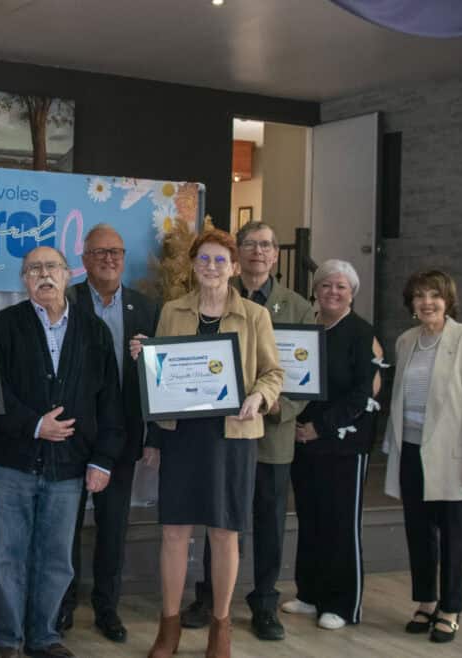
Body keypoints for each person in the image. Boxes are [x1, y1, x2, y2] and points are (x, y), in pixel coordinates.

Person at [131, 228, 283, 658]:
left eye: (220, 260)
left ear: (234, 267)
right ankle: (169, 627)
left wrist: (258, 397)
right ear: (193, 266)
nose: (211, 267)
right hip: (182, 435)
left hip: (232, 436)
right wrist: (145, 358)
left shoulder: (255, 315)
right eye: (204, 259)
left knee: (224, 534)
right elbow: (160, 380)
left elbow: (273, 373)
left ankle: (221, 626)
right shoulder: (172, 311)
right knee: (174, 533)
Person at [0, 246, 125, 658]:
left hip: (70, 467)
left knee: (57, 559)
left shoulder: (94, 331)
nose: (44, 275)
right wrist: (34, 424)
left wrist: (102, 459)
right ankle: (7, 641)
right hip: (13, 463)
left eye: (52, 267)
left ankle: (44, 637)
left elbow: (110, 402)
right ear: (24, 279)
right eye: (34, 269)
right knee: (8, 557)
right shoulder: (2, 325)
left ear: (67, 274)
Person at [179, 222, 314, 642]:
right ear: (239, 254)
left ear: (275, 254)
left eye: (267, 245)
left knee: (269, 521)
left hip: (271, 432)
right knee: (217, 516)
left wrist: (274, 407)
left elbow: (301, 374)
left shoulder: (297, 306)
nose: (259, 251)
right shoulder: (212, 297)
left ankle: (265, 603)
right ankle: (208, 598)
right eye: (251, 243)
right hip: (221, 435)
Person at [383, 270, 462, 643]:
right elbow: (399, 399)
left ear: (448, 300)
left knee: (453, 535)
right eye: (419, 295)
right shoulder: (406, 341)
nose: (427, 302)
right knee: (419, 531)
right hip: (411, 449)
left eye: (434, 295)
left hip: (453, 455)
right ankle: (426, 601)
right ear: (411, 303)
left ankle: (450, 608)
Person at [59, 224, 159, 643]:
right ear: (84, 260)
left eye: (115, 251)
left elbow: (162, 376)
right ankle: (62, 605)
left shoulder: (147, 308)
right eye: (99, 252)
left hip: (122, 433)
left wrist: (153, 435)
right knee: (64, 526)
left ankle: (107, 607)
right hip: (70, 433)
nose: (108, 259)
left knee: (114, 527)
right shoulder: (66, 301)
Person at [281, 259, 378, 632]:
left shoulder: (361, 333)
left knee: (341, 524)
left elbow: (362, 393)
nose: (332, 292)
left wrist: (319, 428)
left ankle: (343, 604)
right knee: (311, 519)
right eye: (325, 285)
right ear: (315, 290)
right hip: (304, 441)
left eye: (340, 286)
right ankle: (310, 593)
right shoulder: (307, 328)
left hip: (344, 445)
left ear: (352, 293)